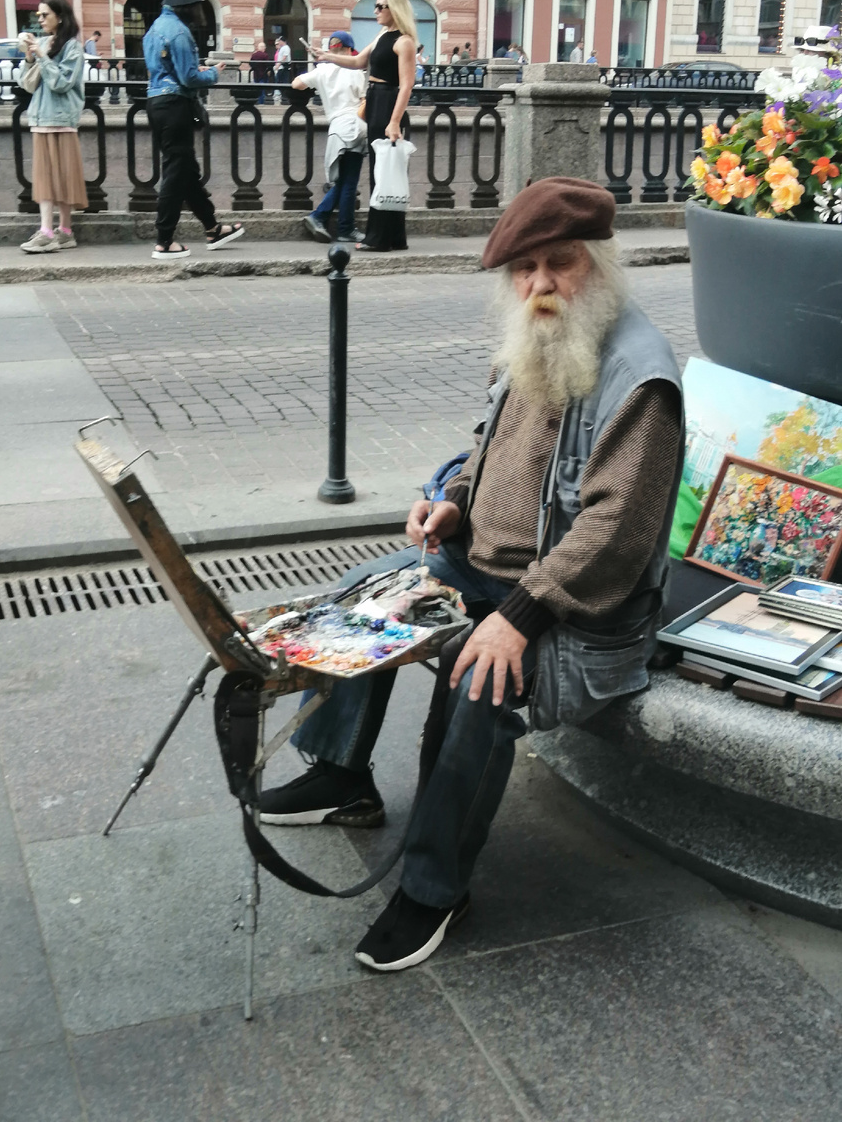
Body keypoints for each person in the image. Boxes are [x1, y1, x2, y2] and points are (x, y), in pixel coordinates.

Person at [259, 177, 684, 972]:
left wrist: (518, 616)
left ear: (598, 262)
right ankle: (342, 776)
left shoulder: (640, 377)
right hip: (481, 567)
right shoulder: (536, 332)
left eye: (560, 264)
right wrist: (450, 505)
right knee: (363, 599)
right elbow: (489, 451)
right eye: (524, 270)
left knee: (480, 679)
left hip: (573, 611)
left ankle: (435, 885)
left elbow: (615, 531)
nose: (541, 285)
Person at [307, 0, 416, 252]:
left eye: (381, 7)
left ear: (395, 9)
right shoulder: (382, 35)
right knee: (382, 170)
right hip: (376, 100)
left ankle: (379, 238)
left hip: (388, 103)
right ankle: (392, 237)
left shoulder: (404, 42)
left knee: (384, 171)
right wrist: (325, 56)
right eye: (376, 6)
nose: (376, 11)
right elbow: (357, 62)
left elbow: (406, 86)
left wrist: (394, 121)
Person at [143, 0, 245, 260]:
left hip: (156, 103)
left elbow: (165, 69)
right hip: (176, 105)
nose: (198, 10)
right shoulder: (179, 32)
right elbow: (188, 78)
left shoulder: (154, 29)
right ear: (186, 5)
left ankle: (213, 229)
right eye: (195, 5)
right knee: (176, 173)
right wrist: (212, 73)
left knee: (186, 171)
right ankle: (164, 240)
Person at [17, 0, 88, 254]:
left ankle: (59, 231)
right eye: (38, 14)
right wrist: (30, 57)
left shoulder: (72, 47)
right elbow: (27, 84)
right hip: (42, 118)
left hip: (61, 119)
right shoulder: (45, 42)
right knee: (46, 178)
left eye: (45, 14)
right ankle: (52, 230)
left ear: (60, 16)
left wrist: (44, 57)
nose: (40, 19)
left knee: (62, 178)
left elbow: (62, 83)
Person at [293, 31, 367, 244]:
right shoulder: (356, 71)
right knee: (349, 182)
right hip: (354, 127)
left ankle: (321, 217)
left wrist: (320, 72)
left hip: (336, 129)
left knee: (343, 181)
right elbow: (364, 101)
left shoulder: (322, 71)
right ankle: (343, 228)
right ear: (349, 50)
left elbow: (296, 84)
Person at [250, 39, 272, 105]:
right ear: (262, 48)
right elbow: (268, 65)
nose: (265, 48)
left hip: (256, 74)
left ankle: (256, 102)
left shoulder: (254, 55)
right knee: (262, 89)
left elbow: (251, 64)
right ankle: (261, 102)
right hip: (263, 75)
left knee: (256, 89)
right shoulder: (265, 55)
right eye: (264, 47)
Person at [273, 34, 291, 103]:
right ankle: (282, 96)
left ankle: (284, 97)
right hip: (281, 67)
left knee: (283, 81)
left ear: (282, 41)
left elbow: (284, 57)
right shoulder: (282, 48)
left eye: (279, 41)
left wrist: (278, 64)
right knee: (279, 81)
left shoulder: (286, 47)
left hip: (284, 67)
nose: (279, 42)